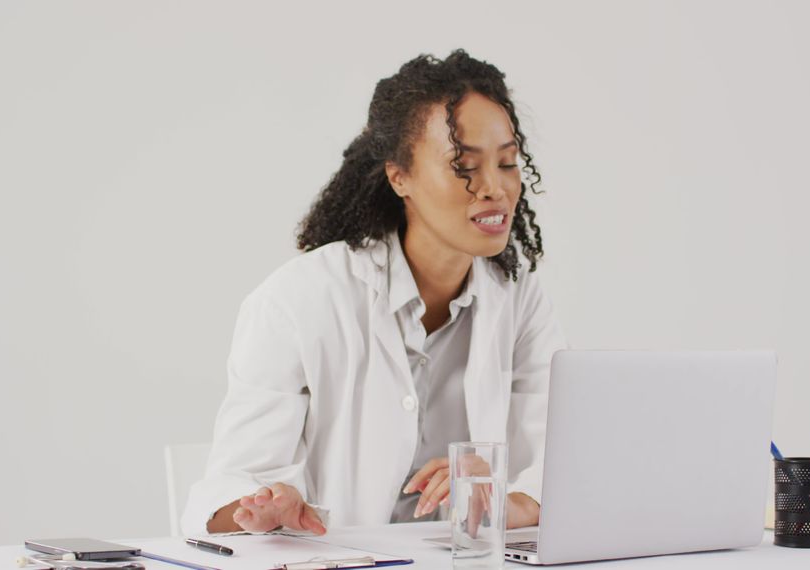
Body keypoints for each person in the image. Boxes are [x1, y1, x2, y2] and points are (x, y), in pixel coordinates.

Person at [180, 49, 567, 537]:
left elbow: (563, 462)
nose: (495, 187)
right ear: (399, 176)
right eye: (464, 166)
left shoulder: (519, 297)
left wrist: (509, 499)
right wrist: (266, 507)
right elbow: (230, 486)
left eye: (508, 163)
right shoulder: (299, 299)